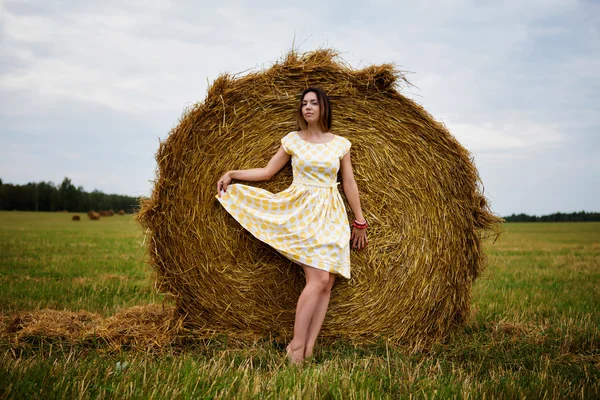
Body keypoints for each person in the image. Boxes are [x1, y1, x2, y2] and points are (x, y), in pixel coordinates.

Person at [216, 87, 368, 364]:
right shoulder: (292, 141)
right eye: (304, 104)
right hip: (301, 210)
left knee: (327, 283)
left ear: (324, 108)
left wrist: (359, 220)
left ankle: (308, 349)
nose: (307, 107)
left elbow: (349, 183)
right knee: (318, 279)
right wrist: (233, 173)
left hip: (331, 213)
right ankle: (295, 347)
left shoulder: (341, 144)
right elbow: (267, 172)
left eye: (313, 103)